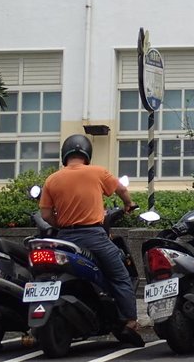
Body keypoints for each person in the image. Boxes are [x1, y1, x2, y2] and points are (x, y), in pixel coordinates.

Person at [38, 134, 144, 347]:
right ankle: (130, 321)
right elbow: (122, 190)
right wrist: (129, 204)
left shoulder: (52, 179)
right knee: (121, 275)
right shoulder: (97, 172)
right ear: (87, 154)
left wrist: (62, 225)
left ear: (64, 155)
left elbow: (46, 215)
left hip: (65, 239)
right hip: (94, 236)